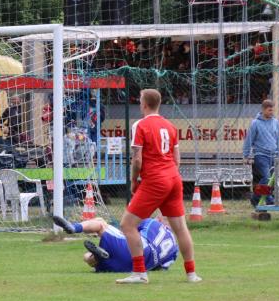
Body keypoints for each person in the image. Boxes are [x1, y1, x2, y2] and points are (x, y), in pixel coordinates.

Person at [117, 89, 200, 284]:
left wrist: (134, 180)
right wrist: (169, 175)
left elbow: (137, 159)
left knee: (127, 225)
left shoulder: (140, 125)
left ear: (144, 104)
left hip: (155, 179)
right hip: (173, 178)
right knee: (180, 228)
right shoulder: (170, 126)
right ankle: (191, 274)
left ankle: (140, 273)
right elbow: (177, 159)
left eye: (140, 101)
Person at [51, 214, 178, 273]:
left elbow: (129, 232)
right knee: (89, 256)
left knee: (100, 223)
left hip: (133, 251)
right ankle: (100, 256)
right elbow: (162, 268)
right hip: (133, 268)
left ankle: (74, 228)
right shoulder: (174, 249)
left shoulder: (151, 222)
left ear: (159, 219)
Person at [244, 98, 279, 220]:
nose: (271, 112)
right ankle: (267, 198)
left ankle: (257, 197)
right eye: (269, 110)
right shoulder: (255, 123)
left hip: (274, 155)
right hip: (261, 155)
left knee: (272, 179)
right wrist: (246, 155)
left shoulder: (276, 123)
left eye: (272, 110)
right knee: (266, 177)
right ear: (263, 110)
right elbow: (249, 139)